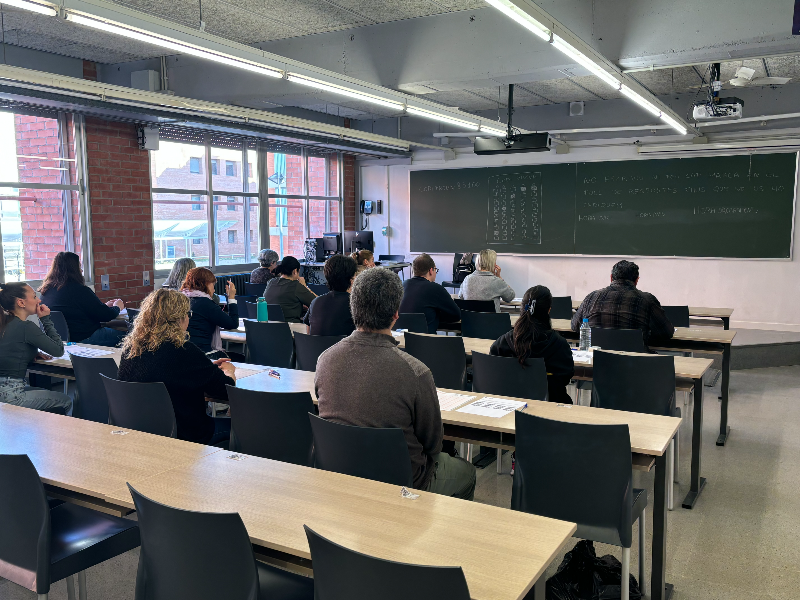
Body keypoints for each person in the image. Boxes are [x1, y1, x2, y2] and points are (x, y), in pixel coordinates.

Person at [315, 268, 476, 500]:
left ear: (354, 308)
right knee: (467, 472)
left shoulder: (325, 359)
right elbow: (433, 444)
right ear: (396, 314)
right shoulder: (415, 372)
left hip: (340, 471)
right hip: (403, 480)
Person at [118, 289, 236, 445]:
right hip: (185, 436)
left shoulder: (131, 349)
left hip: (140, 432)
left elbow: (166, 372)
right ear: (179, 319)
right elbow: (226, 389)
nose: (188, 319)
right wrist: (228, 371)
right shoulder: (184, 351)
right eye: (188, 314)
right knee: (242, 427)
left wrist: (206, 367)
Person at [490, 286, 575, 404]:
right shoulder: (560, 345)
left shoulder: (502, 343)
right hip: (549, 408)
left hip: (510, 405)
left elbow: (493, 370)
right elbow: (566, 377)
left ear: (522, 308)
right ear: (549, 310)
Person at [0, 282, 72, 414]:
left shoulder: (3, 323)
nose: (39, 300)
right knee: (65, 401)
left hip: (4, 391)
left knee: (42, 393)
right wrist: (45, 319)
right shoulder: (26, 327)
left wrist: (32, 352)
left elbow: (9, 349)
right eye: (34, 297)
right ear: (21, 303)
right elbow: (58, 350)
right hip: (11, 394)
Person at [571, 260, 674, 348]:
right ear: (636, 280)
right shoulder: (647, 300)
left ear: (611, 278)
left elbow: (575, 326)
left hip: (598, 361)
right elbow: (666, 333)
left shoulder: (591, 297)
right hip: (635, 362)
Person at [39, 251, 127, 347]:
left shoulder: (46, 291)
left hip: (60, 341)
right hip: (85, 338)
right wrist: (117, 307)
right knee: (131, 338)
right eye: (79, 267)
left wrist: (104, 306)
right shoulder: (79, 290)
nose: (81, 271)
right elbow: (106, 316)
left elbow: (76, 310)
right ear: (74, 269)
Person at [181, 267, 239, 360]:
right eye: (213, 285)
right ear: (205, 284)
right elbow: (232, 323)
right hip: (204, 355)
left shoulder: (181, 299)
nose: (214, 290)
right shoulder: (205, 303)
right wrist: (231, 298)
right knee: (241, 358)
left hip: (183, 355)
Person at [399, 253, 461, 334]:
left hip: (401, 338)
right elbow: (456, 315)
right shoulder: (435, 288)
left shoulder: (402, 285)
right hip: (426, 340)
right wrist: (435, 314)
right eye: (436, 270)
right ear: (431, 271)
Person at [303, 254, 357, 336]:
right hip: (344, 344)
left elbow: (309, 332)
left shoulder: (316, 302)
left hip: (317, 345)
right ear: (351, 280)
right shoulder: (356, 304)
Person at [263, 256, 316, 323]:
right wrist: (305, 287)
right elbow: (319, 303)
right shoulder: (295, 285)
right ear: (295, 271)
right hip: (290, 326)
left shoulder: (271, 282)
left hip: (269, 325)